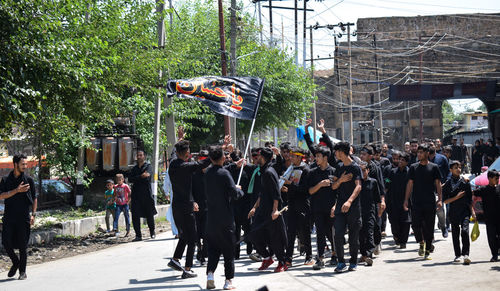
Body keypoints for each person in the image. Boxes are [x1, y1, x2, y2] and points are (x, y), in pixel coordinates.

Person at [168, 137, 211, 279]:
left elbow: (175, 153)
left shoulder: (173, 164)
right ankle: (188, 269)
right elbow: (202, 163)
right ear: (186, 152)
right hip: (186, 207)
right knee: (192, 238)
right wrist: (217, 153)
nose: (190, 153)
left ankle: (175, 259)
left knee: (185, 235)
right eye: (188, 150)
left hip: (177, 206)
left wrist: (180, 139)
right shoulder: (185, 167)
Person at [204, 145, 244, 290]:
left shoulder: (207, 173)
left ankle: (210, 274)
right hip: (226, 219)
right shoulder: (225, 175)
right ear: (222, 158)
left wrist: (234, 165)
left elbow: (219, 171)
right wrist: (239, 190)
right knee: (228, 250)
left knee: (213, 249)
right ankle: (228, 281)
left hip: (211, 219)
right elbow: (234, 194)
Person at [250, 147, 288, 273]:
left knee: (275, 237)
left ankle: (282, 262)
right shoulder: (263, 171)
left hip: (272, 211)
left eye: (258, 157)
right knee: (254, 233)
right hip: (262, 210)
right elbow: (262, 193)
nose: (256, 158)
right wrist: (254, 208)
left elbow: (276, 193)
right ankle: (267, 257)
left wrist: (275, 210)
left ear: (263, 158)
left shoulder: (269, 172)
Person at [0, 154, 37, 280]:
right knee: (5, 242)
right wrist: (16, 190)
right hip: (9, 216)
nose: (25, 166)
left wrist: (33, 214)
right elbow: (1, 196)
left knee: (23, 245)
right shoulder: (5, 180)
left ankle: (23, 272)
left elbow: (34, 198)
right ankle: (15, 262)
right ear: (15, 164)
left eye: (26, 164)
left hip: (23, 217)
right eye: (23, 164)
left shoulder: (29, 180)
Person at [404, 144, 443, 260]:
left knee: (429, 226)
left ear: (427, 153)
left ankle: (427, 250)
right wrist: (406, 200)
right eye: (418, 152)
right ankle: (421, 242)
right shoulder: (413, 167)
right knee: (416, 225)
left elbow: (438, 184)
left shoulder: (434, 167)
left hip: (430, 201)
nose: (419, 154)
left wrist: (440, 199)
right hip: (416, 201)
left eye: (421, 152)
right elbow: (410, 184)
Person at [331, 141, 362, 273]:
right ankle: (341, 262)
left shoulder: (355, 167)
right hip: (339, 206)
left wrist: (349, 201)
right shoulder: (338, 167)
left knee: (353, 236)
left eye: (336, 151)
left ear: (342, 152)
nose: (335, 154)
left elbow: (359, 186)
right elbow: (333, 186)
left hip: (353, 206)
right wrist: (340, 180)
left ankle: (353, 261)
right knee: (338, 234)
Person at [307, 146, 337, 270]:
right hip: (317, 208)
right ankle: (320, 259)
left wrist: (335, 206)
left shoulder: (334, 171)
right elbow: (310, 191)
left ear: (325, 158)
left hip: (331, 208)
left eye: (318, 156)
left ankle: (335, 255)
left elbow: (339, 192)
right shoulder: (313, 172)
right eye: (316, 156)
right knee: (320, 233)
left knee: (332, 234)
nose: (316, 158)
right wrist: (320, 185)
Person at [283, 147, 313, 267]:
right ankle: (288, 258)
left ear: (300, 157)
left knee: (304, 232)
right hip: (292, 204)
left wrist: (291, 185)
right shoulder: (290, 169)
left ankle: (309, 256)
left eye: (293, 156)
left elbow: (305, 189)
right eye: (290, 155)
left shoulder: (306, 170)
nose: (291, 158)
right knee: (290, 232)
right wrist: (286, 188)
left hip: (303, 204)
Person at [442, 160, 474, 265]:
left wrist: (473, 212)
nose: (458, 169)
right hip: (453, 211)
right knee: (455, 233)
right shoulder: (447, 184)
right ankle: (457, 255)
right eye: (455, 167)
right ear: (451, 170)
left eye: (459, 167)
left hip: (465, 211)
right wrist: (456, 197)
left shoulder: (465, 182)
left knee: (465, 231)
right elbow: (445, 201)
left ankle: (466, 254)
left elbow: (470, 199)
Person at [129, 150, 157, 242]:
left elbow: (147, 178)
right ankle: (138, 235)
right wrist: (141, 176)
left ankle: (152, 232)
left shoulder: (148, 167)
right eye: (138, 155)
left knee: (149, 214)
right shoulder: (134, 169)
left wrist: (137, 178)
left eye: (141, 155)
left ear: (144, 156)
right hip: (136, 195)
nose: (139, 157)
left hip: (146, 195)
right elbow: (130, 179)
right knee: (135, 215)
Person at [358, 161, 382, 267]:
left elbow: (377, 198)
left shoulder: (373, 182)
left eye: (364, 170)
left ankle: (368, 254)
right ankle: (363, 254)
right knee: (361, 234)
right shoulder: (357, 182)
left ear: (368, 170)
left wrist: (379, 210)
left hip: (370, 211)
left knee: (369, 232)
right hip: (358, 212)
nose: (362, 172)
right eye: (360, 170)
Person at [473, 170, 500, 262]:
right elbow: (472, 192)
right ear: (489, 178)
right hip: (489, 218)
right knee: (492, 237)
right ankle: (494, 255)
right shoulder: (484, 189)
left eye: (498, 178)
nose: (497, 180)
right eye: (496, 178)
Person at [386, 153, 411, 249]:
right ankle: (396, 236)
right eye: (399, 160)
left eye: (403, 160)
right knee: (394, 221)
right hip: (393, 201)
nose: (400, 162)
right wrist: (387, 186)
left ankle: (403, 241)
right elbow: (387, 181)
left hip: (406, 201)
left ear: (407, 162)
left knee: (406, 222)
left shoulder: (409, 172)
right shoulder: (392, 172)